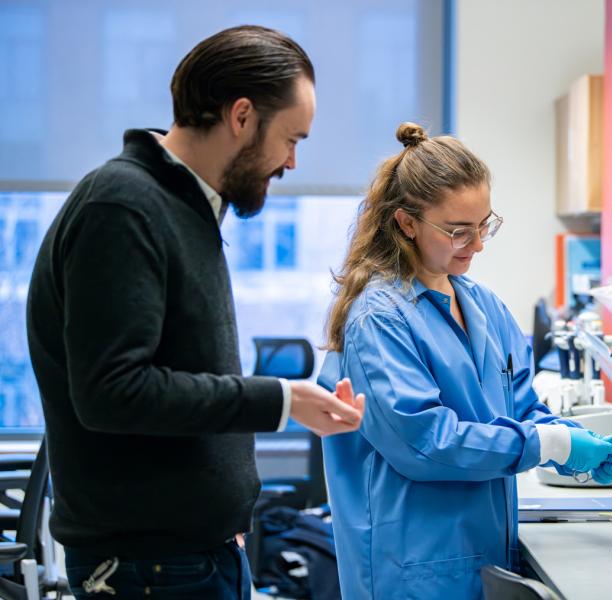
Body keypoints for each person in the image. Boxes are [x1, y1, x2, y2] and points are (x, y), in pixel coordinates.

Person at [26, 26, 364, 599]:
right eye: (290, 138)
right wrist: (281, 400)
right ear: (240, 116)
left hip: (191, 556)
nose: (292, 161)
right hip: (148, 568)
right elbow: (113, 391)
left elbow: (183, 384)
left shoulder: (187, 208)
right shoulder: (123, 206)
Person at [317, 122, 612, 599]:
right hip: (412, 566)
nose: (478, 245)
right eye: (459, 231)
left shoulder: (484, 306)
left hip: (481, 553)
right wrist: (548, 444)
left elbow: (521, 407)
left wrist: (571, 442)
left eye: (485, 225)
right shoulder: (379, 319)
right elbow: (425, 442)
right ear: (406, 223)